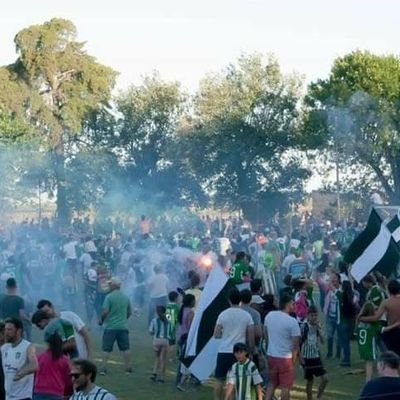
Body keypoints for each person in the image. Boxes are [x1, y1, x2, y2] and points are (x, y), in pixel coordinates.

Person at [213, 288, 255, 400]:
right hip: (239, 352)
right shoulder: (247, 316)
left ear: (229, 300)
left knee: (219, 379)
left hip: (223, 350)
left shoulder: (223, 314)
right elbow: (251, 336)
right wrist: (251, 351)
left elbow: (216, 334)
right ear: (240, 300)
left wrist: (225, 335)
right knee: (235, 381)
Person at [264, 294, 301, 400]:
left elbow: (265, 335)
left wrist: (269, 348)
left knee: (272, 383)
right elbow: (295, 344)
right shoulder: (292, 322)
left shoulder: (269, 316)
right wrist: (294, 360)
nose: (294, 305)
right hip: (285, 358)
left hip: (271, 355)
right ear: (288, 304)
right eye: (293, 303)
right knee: (286, 387)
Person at [99, 277, 132, 375]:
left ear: (113, 285)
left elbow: (105, 311)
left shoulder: (109, 297)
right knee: (125, 348)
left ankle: (103, 368)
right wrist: (124, 319)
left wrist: (101, 320)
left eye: (110, 284)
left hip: (110, 327)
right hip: (123, 327)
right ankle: (128, 368)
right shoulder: (125, 297)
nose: (109, 286)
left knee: (106, 348)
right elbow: (129, 311)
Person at [360, 279, 400, 355]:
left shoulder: (386, 302)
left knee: (393, 355)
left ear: (389, 289)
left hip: (392, 330)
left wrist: (362, 318)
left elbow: (376, 317)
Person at [1, 318, 38, 400]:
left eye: (10, 329)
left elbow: (34, 365)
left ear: (19, 331)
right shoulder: (4, 348)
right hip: (8, 396)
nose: (6, 332)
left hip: (23, 396)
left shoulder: (27, 346)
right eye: (5, 329)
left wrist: (21, 373)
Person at [300, 305, 328, 400]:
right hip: (306, 357)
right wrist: (300, 357)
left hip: (316, 356)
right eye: (312, 315)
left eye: (316, 315)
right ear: (307, 315)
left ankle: (319, 397)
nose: (314, 317)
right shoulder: (304, 326)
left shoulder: (317, 325)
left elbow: (323, 341)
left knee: (325, 379)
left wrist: (318, 329)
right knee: (310, 381)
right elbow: (299, 342)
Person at [33, 333, 73, 400]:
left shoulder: (40, 357)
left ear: (49, 344)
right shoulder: (64, 360)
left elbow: (34, 376)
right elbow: (68, 379)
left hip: (39, 391)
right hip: (56, 392)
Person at [176, 294, 195, 392]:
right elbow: (191, 327)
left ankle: (179, 381)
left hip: (180, 336)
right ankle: (182, 383)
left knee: (182, 359)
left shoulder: (182, 310)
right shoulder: (191, 312)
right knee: (187, 360)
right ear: (191, 302)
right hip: (187, 337)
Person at [149, 305, 173, 383]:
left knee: (157, 358)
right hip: (165, 341)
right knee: (163, 359)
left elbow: (151, 332)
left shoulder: (154, 320)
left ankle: (154, 373)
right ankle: (161, 377)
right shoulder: (168, 320)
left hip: (157, 341)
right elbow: (170, 331)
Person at [165, 291, 179, 358]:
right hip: (173, 325)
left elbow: (167, 315)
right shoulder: (176, 307)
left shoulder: (167, 305)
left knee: (168, 340)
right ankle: (171, 357)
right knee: (172, 342)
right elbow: (178, 316)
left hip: (167, 324)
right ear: (176, 298)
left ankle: (166, 354)